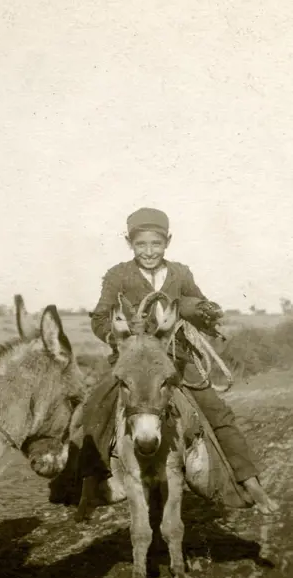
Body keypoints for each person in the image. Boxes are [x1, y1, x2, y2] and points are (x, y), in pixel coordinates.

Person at [77, 207, 278, 515]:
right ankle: (92, 485)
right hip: (133, 362)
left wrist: (206, 314)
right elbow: (100, 317)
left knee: (218, 414)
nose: (148, 251)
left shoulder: (180, 273)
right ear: (129, 243)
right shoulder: (118, 275)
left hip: (178, 360)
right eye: (141, 244)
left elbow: (197, 304)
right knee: (97, 408)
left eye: (156, 244)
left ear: (167, 241)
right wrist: (118, 335)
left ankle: (249, 483)